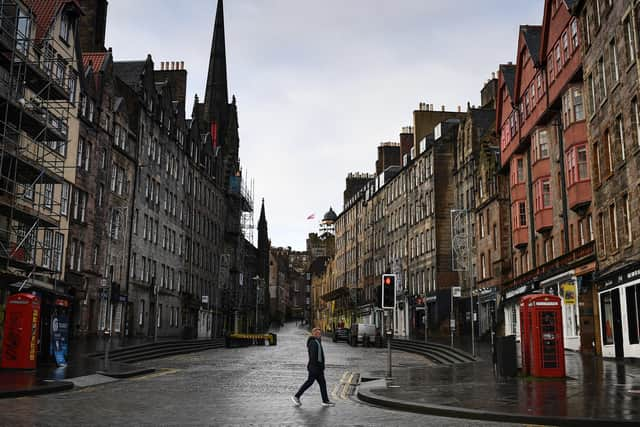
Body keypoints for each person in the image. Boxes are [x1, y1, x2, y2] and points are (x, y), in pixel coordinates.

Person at [291, 327, 335, 407]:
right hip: (314, 368)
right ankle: (296, 396)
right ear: (314, 334)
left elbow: (320, 356)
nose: (319, 335)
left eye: (319, 333)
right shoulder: (313, 342)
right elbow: (313, 357)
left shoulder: (317, 342)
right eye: (317, 333)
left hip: (319, 368)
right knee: (309, 382)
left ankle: (325, 401)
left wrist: (321, 366)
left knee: (322, 384)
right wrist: (316, 367)